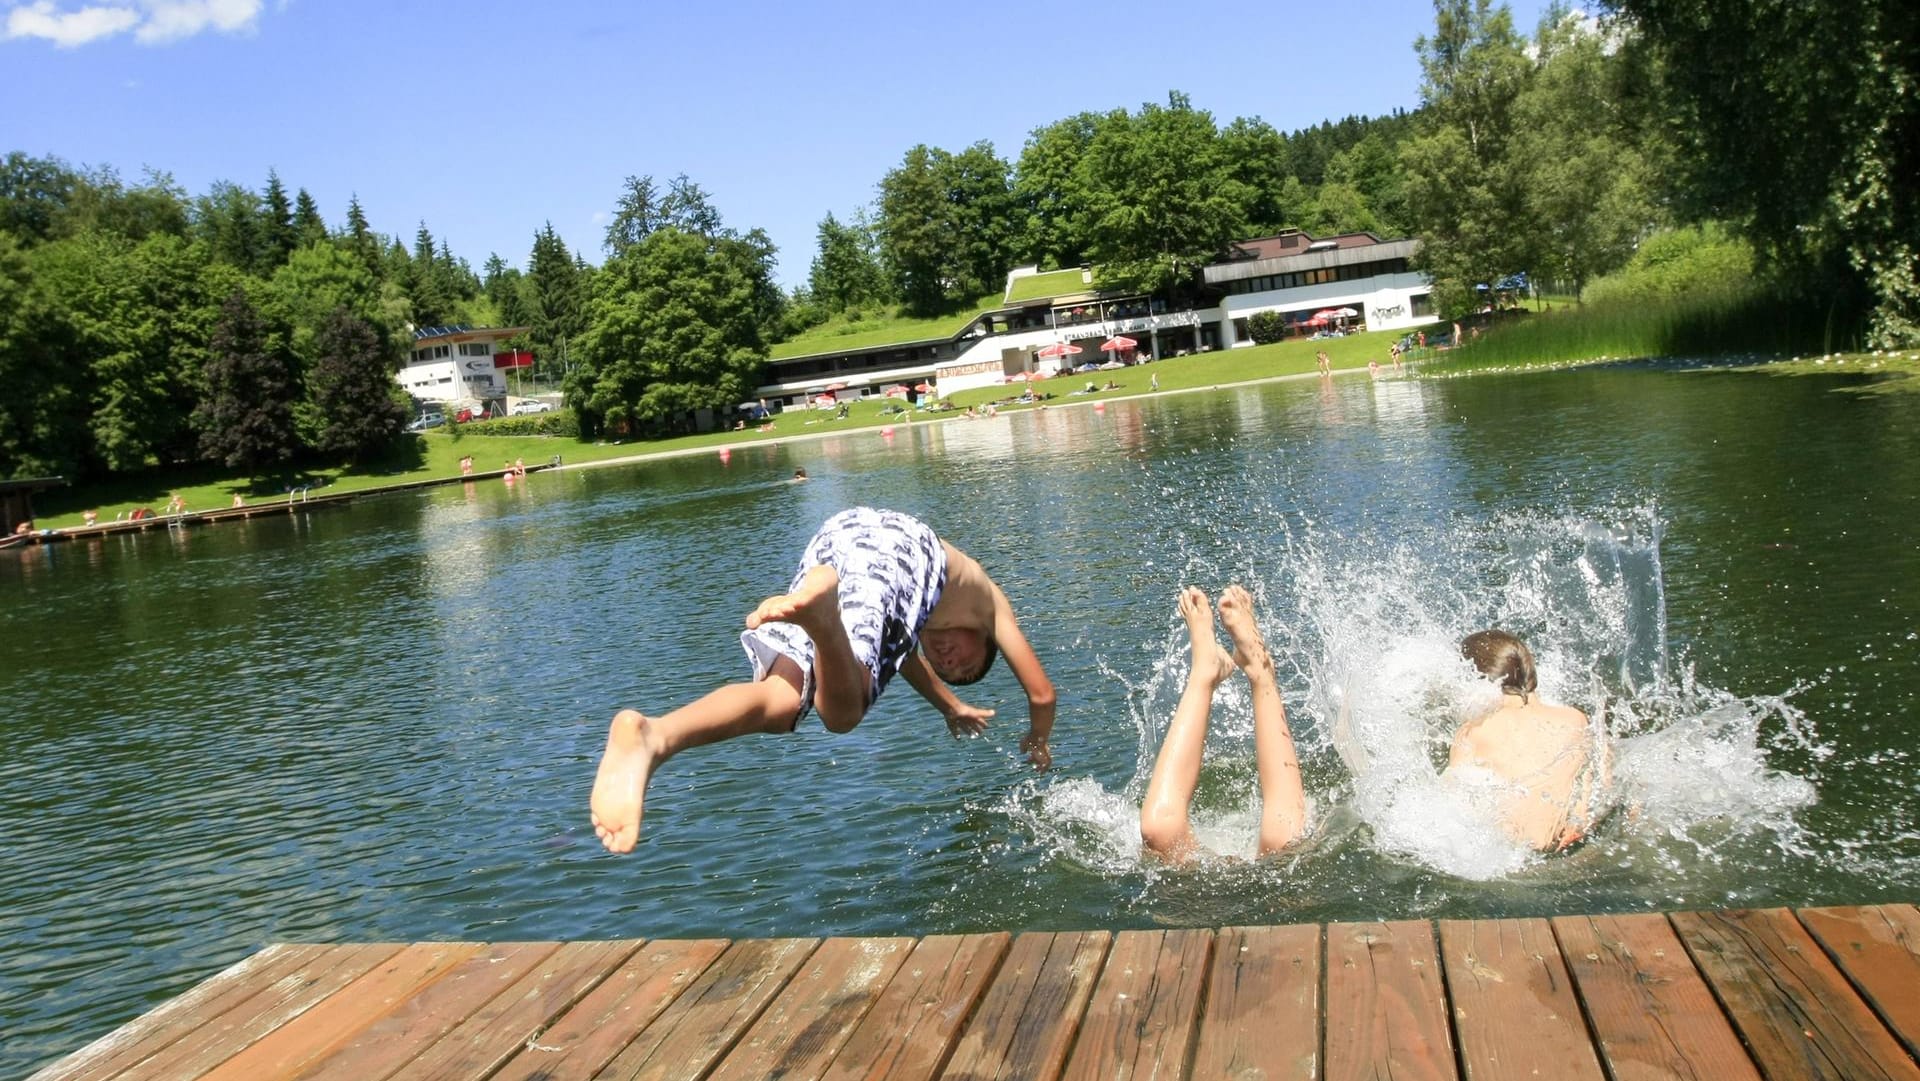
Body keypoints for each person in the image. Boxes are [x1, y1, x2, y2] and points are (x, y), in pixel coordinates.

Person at [589, 507, 1057, 853]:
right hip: (902, 547)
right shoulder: (992, 608)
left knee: (782, 701)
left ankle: (655, 735)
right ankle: (823, 620)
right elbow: (1042, 692)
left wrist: (950, 705)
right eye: (967, 666)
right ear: (986, 640)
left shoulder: (912, 615)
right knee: (842, 714)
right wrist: (1038, 739)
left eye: (952, 672)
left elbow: (897, 656)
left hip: (839, 536)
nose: (951, 664)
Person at [1140, 586, 1306, 865]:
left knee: (1159, 829)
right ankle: (1258, 670)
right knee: (1286, 841)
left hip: (1196, 903)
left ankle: (1206, 672)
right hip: (1272, 901)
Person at [1447, 630, 1607, 852]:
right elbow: (1596, 787)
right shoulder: (1576, 719)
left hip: (1514, 853)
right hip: (1570, 843)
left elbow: (1452, 803)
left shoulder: (1473, 732)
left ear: (1478, 680)